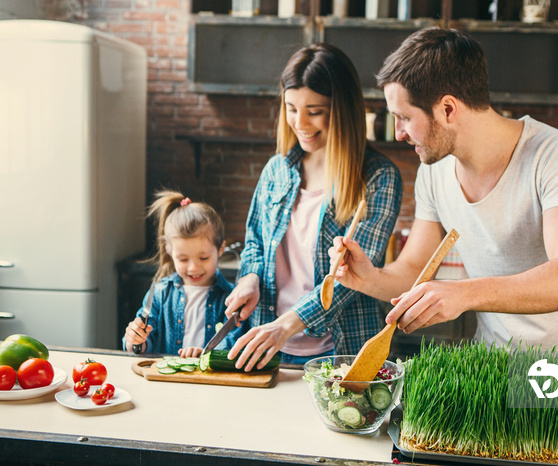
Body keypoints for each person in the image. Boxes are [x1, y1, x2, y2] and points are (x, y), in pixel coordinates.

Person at [331, 27, 558, 380]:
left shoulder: (554, 154)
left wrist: (464, 293)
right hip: (497, 367)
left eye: (405, 117)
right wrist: (370, 278)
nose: (398, 133)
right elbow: (413, 270)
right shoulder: (434, 170)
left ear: (447, 109)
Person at [224, 43, 403, 371]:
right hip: (268, 347)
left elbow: (350, 280)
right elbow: (254, 242)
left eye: (315, 111)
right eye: (291, 108)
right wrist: (249, 278)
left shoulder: (378, 177)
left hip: (341, 353)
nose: (300, 122)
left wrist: (287, 325)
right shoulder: (277, 169)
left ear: (343, 109)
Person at [123, 190, 238, 357]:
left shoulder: (232, 298)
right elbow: (141, 346)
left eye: (203, 258)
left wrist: (209, 355)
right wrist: (134, 340)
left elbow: (237, 342)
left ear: (220, 249)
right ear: (169, 251)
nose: (193, 268)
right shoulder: (160, 293)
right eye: (183, 259)